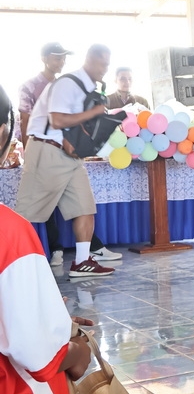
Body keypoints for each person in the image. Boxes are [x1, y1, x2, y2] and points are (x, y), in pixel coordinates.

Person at [0, 84, 94, 394]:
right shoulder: (9, 232)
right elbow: (38, 353)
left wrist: (48, 315)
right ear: (3, 135)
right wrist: (77, 352)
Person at [15, 44, 117, 277]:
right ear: (90, 60)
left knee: (85, 207)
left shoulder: (87, 88)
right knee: (25, 214)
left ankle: (82, 262)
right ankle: (8, 263)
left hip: (71, 156)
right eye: (102, 63)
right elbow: (58, 120)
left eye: (107, 64)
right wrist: (95, 112)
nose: (105, 69)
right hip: (47, 151)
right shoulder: (68, 83)